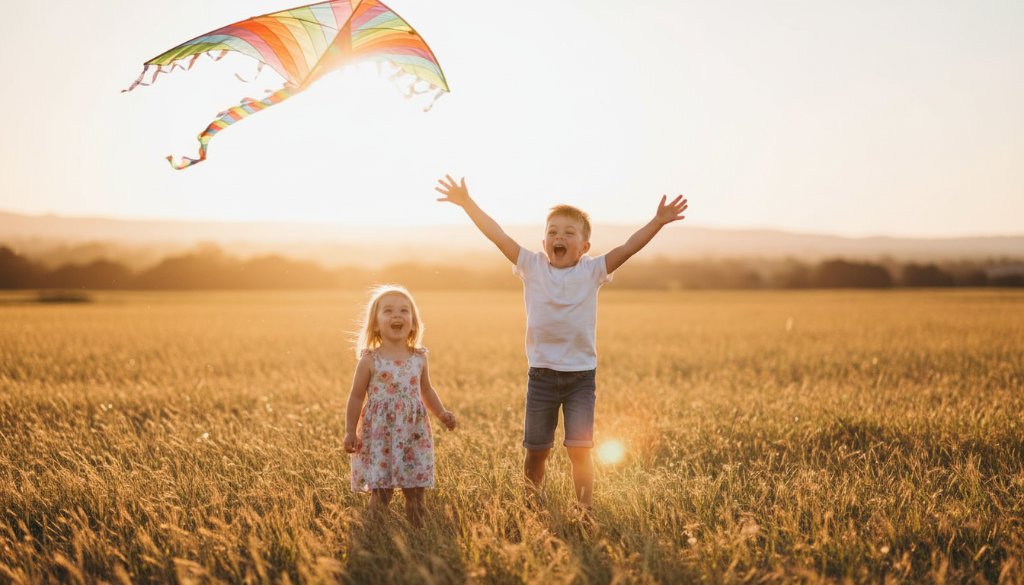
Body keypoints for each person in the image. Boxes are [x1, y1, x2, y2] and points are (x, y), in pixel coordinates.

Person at [434, 175, 687, 512]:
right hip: (541, 377)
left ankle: (584, 509)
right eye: (553, 232)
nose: (559, 237)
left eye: (569, 233)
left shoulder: (592, 271)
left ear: (584, 247)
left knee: (579, 449)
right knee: (536, 450)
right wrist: (467, 204)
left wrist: (656, 222)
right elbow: (498, 235)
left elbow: (627, 247)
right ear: (543, 242)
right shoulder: (532, 266)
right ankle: (530, 506)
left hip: (581, 378)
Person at [344, 284, 457, 527]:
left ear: (414, 323)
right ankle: (372, 535)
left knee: (415, 490)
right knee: (382, 492)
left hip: (413, 433)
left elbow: (426, 389)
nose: (397, 315)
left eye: (404, 311)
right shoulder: (370, 360)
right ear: (375, 323)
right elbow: (355, 396)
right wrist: (350, 431)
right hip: (381, 434)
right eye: (388, 311)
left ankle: (418, 535)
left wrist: (441, 413)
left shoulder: (419, 357)